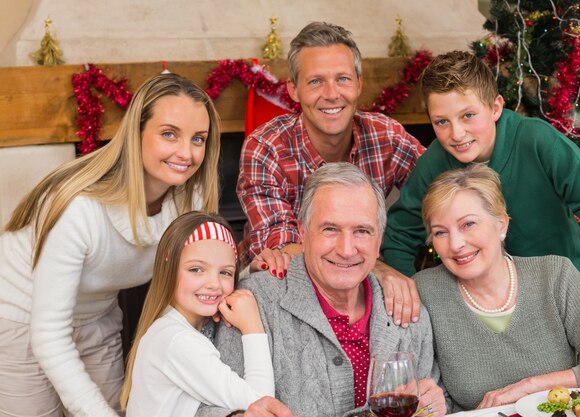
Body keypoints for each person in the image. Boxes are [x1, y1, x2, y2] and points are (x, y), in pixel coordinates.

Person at [0, 73, 221, 417]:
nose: (186, 153)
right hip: (22, 318)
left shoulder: (189, 200)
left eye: (198, 139)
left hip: (97, 316)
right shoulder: (78, 208)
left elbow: (205, 276)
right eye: (168, 134)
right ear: (136, 134)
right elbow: (49, 334)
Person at [381, 50, 580, 320]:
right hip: (477, 310)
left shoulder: (537, 141)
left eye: (468, 115)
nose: (457, 134)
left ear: (496, 107)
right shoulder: (435, 162)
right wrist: (417, 304)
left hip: (560, 302)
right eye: (441, 122)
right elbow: (398, 236)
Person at [199, 163, 448, 417]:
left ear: (379, 240)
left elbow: (435, 399)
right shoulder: (252, 304)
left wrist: (437, 404)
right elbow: (204, 408)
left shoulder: (407, 312)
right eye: (330, 229)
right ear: (303, 233)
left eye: (362, 231)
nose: (346, 249)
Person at [237, 22, 425, 326]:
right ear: (293, 90)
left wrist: (399, 252)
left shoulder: (385, 135)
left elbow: (441, 191)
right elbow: (282, 246)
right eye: (315, 82)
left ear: (359, 84)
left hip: (359, 285)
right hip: (277, 288)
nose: (332, 94)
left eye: (343, 79)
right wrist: (381, 268)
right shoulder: (266, 145)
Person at [413, 164, 580, 411]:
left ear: (501, 225)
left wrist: (529, 387)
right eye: (440, 233)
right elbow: (437, 399)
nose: (456, 244)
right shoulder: (424, 291)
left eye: (468, 224)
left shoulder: (555, 275)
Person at [121, 212, 274, 416]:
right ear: (170, 269)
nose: (213, 284)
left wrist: (248, 275)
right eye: (196, 269)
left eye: (225, 273)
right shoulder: (177, 341)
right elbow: (262, 405)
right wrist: (253, 327)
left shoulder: (168, 327)